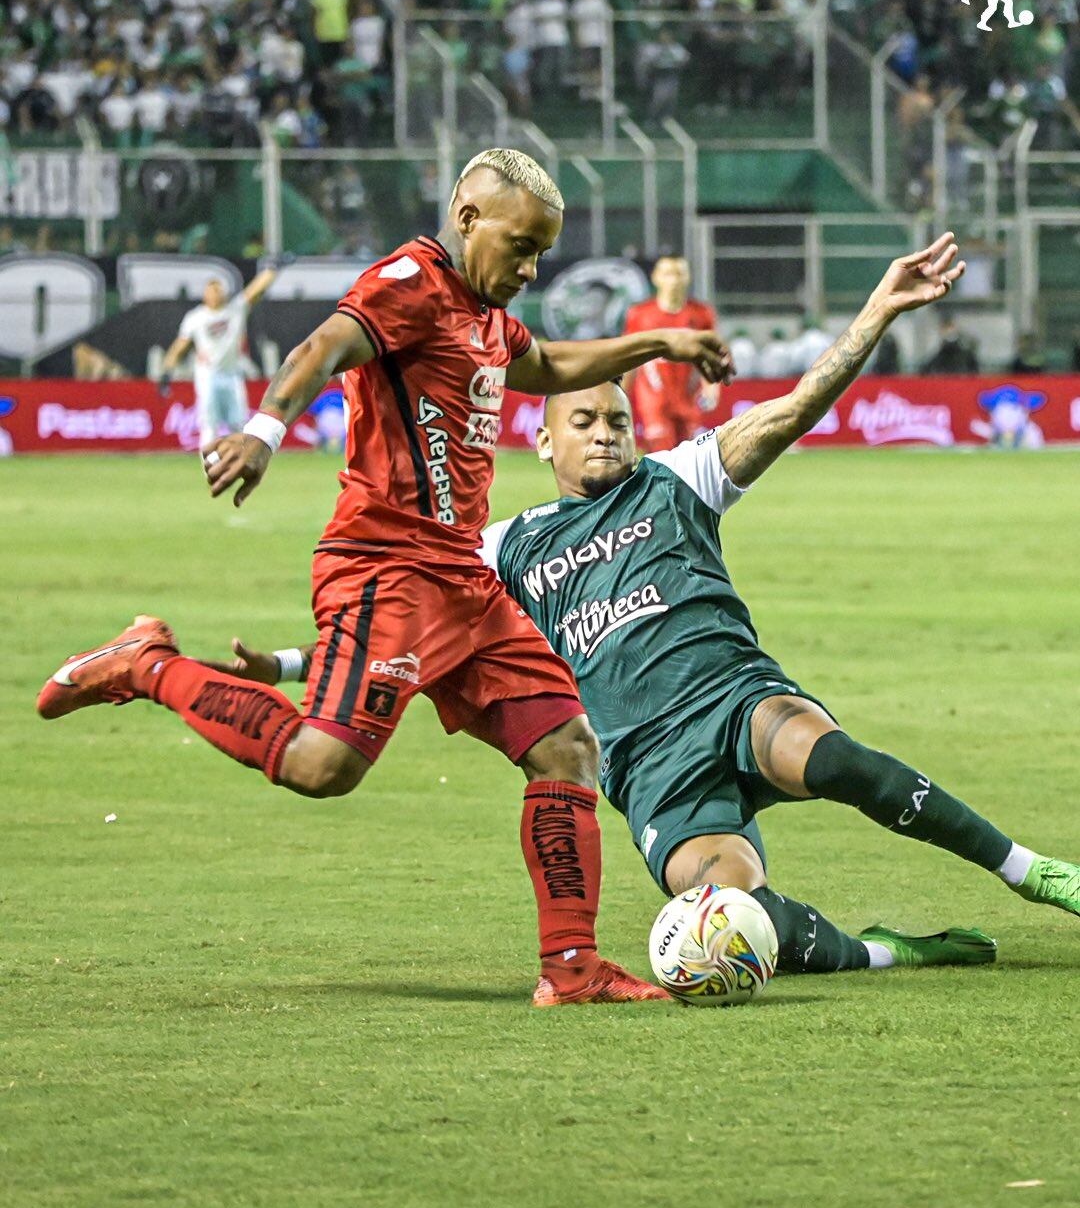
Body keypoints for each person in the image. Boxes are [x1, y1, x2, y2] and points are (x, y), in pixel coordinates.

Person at [224, 231, 1080, 973]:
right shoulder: (503, 547)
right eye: (587, 421)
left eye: (618, 421)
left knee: (833, 757)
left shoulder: (677, 480)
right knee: (729, 923)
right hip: (647, 769)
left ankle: (1029, 869)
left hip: (732, 699)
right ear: (542, 437)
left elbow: (793, 409)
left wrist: (878, 313)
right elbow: (409, 630)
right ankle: (890, 951)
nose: (607, 433)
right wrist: (294, 663)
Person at [36, 149, 730, 1007]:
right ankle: (148, 663)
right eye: (519, 247)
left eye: (540, 254)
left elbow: (545, 368)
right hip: (387, 568)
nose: (529, 268)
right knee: (322, 765)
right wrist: (264, 427)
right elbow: (325, 344)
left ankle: (572, 967)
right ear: (468, 216)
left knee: (566, 746)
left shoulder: (485, 317)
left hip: (464, 582)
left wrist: (661, 339)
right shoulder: (411, 282)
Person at [159, 266, 280, 450]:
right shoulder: (196, 317)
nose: (215, 294)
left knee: (239, 423)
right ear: (205, 295)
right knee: (209, 423)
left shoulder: (235, 309)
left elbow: (254, 289)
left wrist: (273, 269)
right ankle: (210, 465)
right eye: (211, 290)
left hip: (232, 373)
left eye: (218, 290)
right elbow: (180, 346)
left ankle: (238, 462)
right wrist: (167, 371)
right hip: (208, 374)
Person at [624, 256, 717, 450]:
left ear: (688, 277)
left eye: (679, 274)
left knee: (688, 460)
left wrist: (711, 388)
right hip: (654, 400)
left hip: (688, 398)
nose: (673, 280)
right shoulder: (639, 315)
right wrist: (622, 394)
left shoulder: (701, 314)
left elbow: (710, 356)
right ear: (656, 278)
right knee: (662, 458)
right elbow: (629, 358)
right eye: (667, 274)